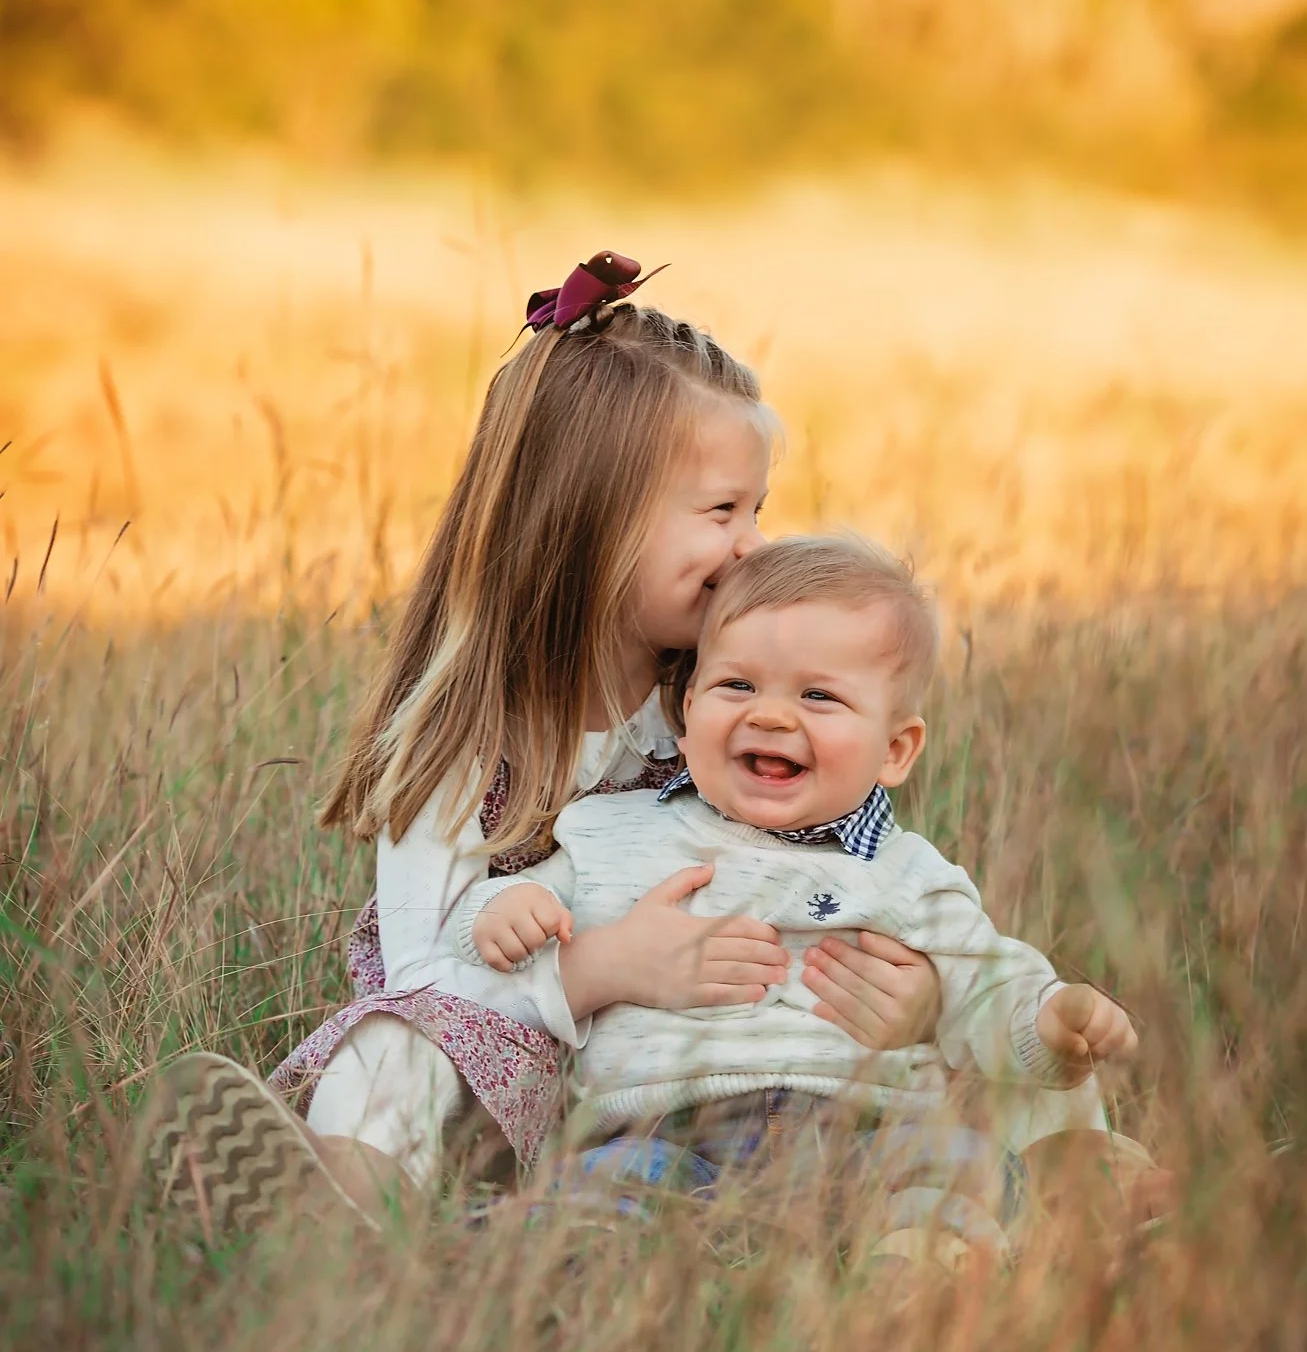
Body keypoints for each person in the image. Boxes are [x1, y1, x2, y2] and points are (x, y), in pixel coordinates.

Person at [143, 253, 946, 1236]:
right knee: (389, 1045)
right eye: (722, 511)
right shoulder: (462, 741)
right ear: (593, 519)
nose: (753, 546)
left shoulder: (728, 701)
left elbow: (847, 862)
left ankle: (1041, 1173)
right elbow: (421, 982)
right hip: (508, 1083)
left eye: (758, 511)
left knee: (934, 1087)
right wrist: (601, 968)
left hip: (687, 1073)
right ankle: (345, 1224)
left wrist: (914, 986)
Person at [445, 533, 1163, 1265]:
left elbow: (985, 984)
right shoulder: (613, 832)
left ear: (894, 750)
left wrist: (1047, 1021)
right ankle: (594, 1265)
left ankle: (917, 1266)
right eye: (737, 686)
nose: (771, 716)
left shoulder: (908, 874)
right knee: (602, 1186)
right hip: (666, 1131)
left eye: (817, 696)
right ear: (687, 711)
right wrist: (504, 913)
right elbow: (508, 917)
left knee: (960, 1165)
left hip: (864, 1133)